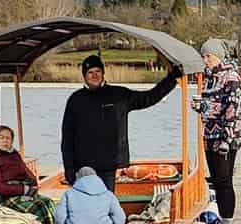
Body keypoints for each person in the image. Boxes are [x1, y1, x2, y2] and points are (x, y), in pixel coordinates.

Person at [60, 53, 183, 188]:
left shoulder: (119, 95)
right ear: (84, 76)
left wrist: (172, 79)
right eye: (90, 72)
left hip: (109, 165)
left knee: (106, 203)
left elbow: (150, 97)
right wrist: (69, 168)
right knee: (86, 205)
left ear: (103, 73)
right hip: (83, 167)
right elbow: (67, 137)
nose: (94, 75)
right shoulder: (75, 100)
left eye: (98, 71)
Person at [197, 38, 241, 224]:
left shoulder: (231, 77)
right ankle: (220, 219)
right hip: (209, 134)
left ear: (218, 56)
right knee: (216, 179)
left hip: (226, 136)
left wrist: (226, 138)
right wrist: (200, 107)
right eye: (204, 56)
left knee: (224, 180)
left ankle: (227, 223)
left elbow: (232, 107)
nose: (205, 60)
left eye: (208, 56)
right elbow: (211, 106)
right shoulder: (208, 78)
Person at [0, 125, 53, 224]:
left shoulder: (13, 154)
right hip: (1, 197)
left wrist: (33, 184)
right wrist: (23, 190)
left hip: (19, 190)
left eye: (8, 138)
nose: (5, 141)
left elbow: (25, 170)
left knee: (48, 202)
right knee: (37, 206)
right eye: (1, 137)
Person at [54, 166, 127, 224]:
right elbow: (120, 217)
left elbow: (59, 216)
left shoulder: (68, 194)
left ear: (77, 178)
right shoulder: (108, 194)